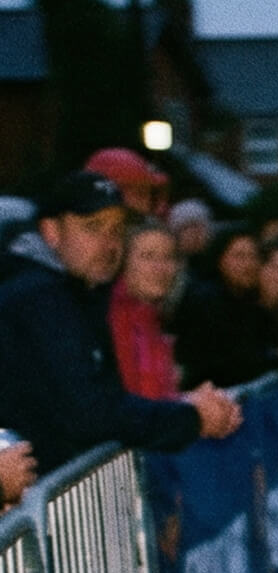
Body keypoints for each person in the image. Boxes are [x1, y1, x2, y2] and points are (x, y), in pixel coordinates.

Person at [0, 172, 239, 476]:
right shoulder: (40, 297)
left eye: (117, 230)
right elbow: (91, 413)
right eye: (92, 227)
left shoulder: (76, 291)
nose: (108, 244)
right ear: (51, 232)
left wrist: (185, 409)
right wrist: (192, 417)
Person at [172, 231, 278, 388]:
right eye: (240, 256)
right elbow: (231, 363)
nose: (248, 264)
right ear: (220, 259)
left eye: (253, 256)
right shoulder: (205, 300)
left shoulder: (246, 301)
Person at [111, 222, 183, 398]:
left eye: (168, 257)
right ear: (123, 262)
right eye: (148, 256)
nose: (160, 268)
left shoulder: (151, 316)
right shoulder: (115, 318)